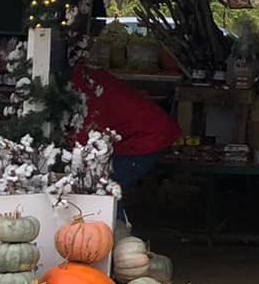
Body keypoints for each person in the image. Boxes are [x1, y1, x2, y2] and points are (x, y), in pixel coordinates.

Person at [71, 61, 181, 198]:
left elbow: (84, 144)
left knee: (102, 191)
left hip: (148, 137)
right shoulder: (88, 77)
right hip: (150, 129)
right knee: (104, 189)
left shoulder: (85, 94)